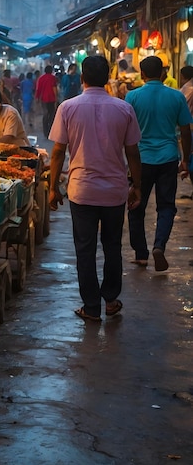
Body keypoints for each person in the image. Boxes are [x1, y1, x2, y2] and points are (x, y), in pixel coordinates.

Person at [48, 55, 142, 322]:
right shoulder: (123, 109)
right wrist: (137, 186)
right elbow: (133, 153)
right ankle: (110, 299)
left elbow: (57, 153)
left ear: (81, 78)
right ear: (108, 76)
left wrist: (53, 187)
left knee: (85, 250)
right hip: (114, 191)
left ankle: (91, 307)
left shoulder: (68, 107)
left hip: (82, 191)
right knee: (112, 246)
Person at [125, 55, 192, 271]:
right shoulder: (176, 97)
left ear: (142, 74)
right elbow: (185, 130)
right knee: (166, 206)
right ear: (163, 73)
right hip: (168, 158)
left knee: (136, 206)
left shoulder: (132, 97)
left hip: (140, 160)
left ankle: (141, 254)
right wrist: (185, 159)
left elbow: (125, 133)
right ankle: (159, 246)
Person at [35, 65, 58, 136]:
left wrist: (37, 98)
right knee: (51, 114)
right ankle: (51, 130)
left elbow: (38, 89)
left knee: (45, 114)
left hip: (44, 99)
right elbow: (54, 88)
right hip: (52, 99)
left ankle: (45, 132)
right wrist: (56, 98)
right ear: (51, 71)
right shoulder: (53, 78)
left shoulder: (41, 78)